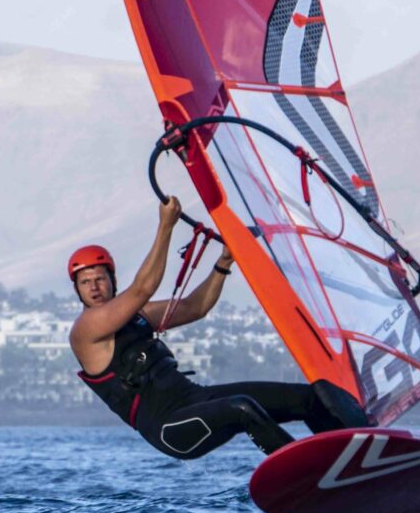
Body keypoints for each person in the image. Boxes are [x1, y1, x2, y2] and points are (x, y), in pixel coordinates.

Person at [68, 196, 370, 458]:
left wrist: (223, 263)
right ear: (78, 290)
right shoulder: (87, 329)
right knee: (242, 408)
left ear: (112, 280)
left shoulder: (138, 315)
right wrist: (166, 226)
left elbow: (195, 307)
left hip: (196, 400)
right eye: (85, 282)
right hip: (169, 427)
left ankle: (355, 453)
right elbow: (143, 288)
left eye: (99, 279)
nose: (94, 287)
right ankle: (306, 474)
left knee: (307, 398)